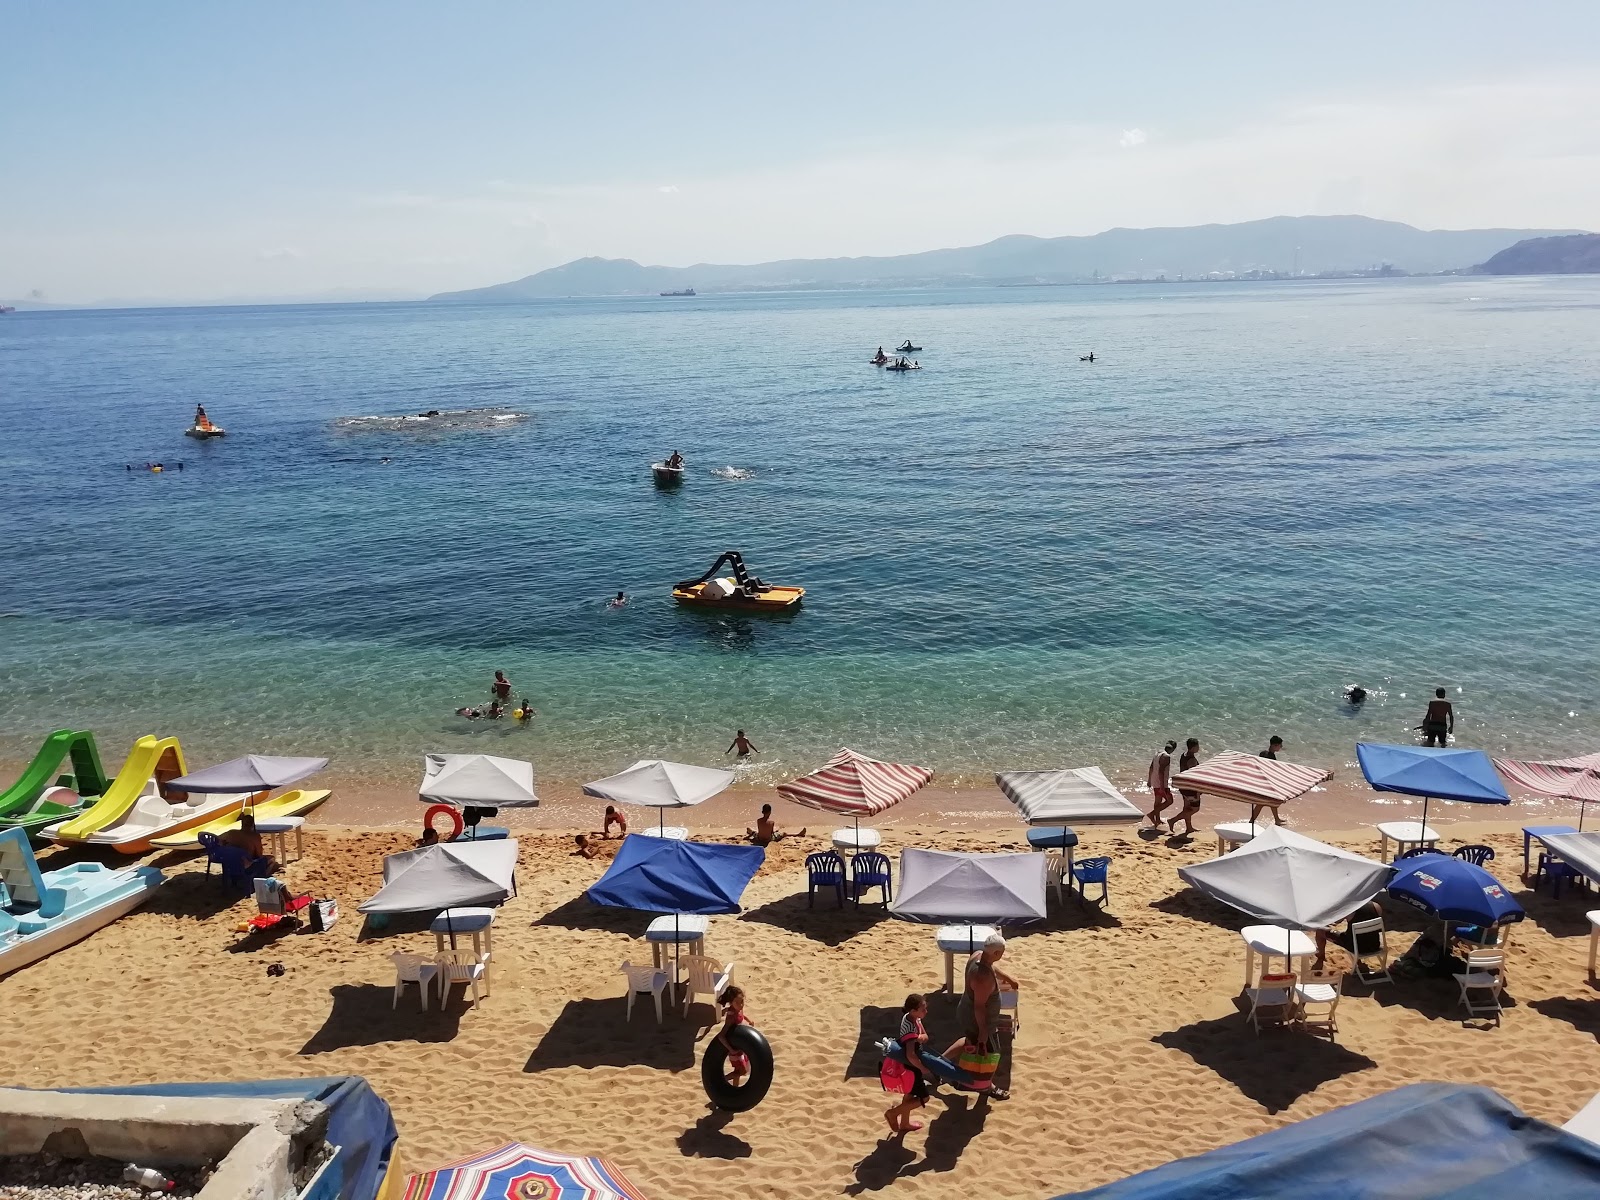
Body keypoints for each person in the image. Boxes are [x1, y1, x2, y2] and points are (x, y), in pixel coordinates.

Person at [944, 932, 1016, 1101]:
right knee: (991, 1051)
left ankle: (939, 1062)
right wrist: (984, 1032)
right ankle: (986, 1086)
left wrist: (1007, 977)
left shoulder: (977, 955)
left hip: (965, 1010)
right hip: (977, 1018)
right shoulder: (983, 978)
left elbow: (991, 966)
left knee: (970, 1041)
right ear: (996, 954)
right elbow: (979, 1007)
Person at [885, 993, 933, 1134]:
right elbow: (910, 1055)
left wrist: (921, 1037)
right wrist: (923, 1069)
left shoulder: (913, 1018)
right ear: (913, 1010)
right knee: (924, 1097)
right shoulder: (910, 1026)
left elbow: (925, 1035)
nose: (926, 1012)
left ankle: (904, 1123)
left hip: (912, 1065)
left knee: (909, 1094)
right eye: (923, 1009)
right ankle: (893, 1113)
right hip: (912, 1066)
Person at [717, 985, 753, 1087]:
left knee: (737, 1072)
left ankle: (734, 1088)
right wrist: (731, 1050)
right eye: (737, 1002)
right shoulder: (731, 1016)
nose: (741, 1005)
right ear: (731, 1002)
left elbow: (741, 1015)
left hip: (740, 1046)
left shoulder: (738, 1009)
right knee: (742, 1071)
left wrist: (749, 1021)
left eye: (742, 1001)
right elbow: (721, 1036)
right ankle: (722, 1080)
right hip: (734, 1048)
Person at [1171, 738, 1202, 837]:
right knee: (1195, 808)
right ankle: (1172, 820)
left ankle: (1189, 827)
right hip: (1190, 787)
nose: (1199, 748)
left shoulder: (1184, 755)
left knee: (1187, 808)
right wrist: (1198, 789)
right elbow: (1194, 776)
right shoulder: (1192, 760)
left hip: (1183, 785)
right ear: (1193, 747)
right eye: (1197, 746)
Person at [1145, 740, 1177, 830]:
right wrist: (1163, 787)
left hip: (1155, 781)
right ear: (1173, 749)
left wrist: (1149, 780)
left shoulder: (1157, 754)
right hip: (1161, 783)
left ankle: (1157, 819)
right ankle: (1152, 814)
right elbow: (1161, 771)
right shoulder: (1166, 756)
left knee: (1158, 801)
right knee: (1170, 801)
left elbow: (1151, 767)